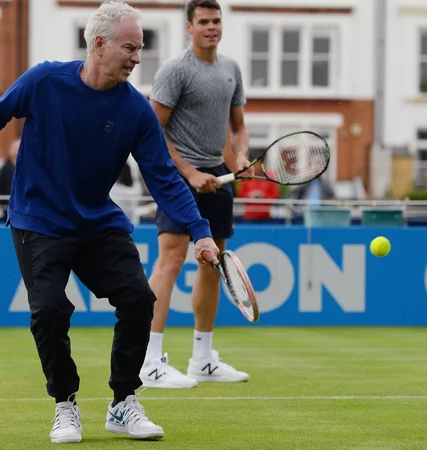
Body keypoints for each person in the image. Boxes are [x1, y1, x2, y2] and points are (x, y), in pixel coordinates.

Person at [0, 0, 220, 444]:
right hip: (38, 221)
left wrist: (201, 232)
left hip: (97, 222)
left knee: (138, 298)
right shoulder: (44, 80)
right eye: (130, 48)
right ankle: (65, 404)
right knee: (49, 310)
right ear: (98, 45)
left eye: (140, 49)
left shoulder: (136, 110)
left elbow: (164, 178)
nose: (137, 58)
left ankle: (123, 402)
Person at [139, 0, 251, 389]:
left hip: (217, 177)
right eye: (203, 21)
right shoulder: (175, 71)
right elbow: (153, 131)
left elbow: (238, 126)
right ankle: (149, 361)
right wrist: (189, 172)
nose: (211, 27)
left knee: (213, 263)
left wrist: (239, 155)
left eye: (216, 21)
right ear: (189, 27)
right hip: (178, 177)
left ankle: (202, 359)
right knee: (170, 261)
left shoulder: (231, 69)